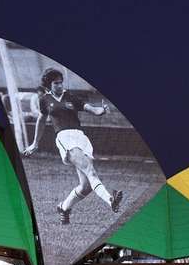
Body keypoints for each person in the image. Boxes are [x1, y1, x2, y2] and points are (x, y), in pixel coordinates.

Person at [25, 67, 123, 224]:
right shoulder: (45, 100)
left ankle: (64, 207)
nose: (59, 85)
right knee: (91, 172)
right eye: (56, 83)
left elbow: (90, 108)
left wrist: (101, 111)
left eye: (61, 83)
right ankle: (111, 200)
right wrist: (35, 143)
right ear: (49, 84)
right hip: (65, 138)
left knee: (86, 186)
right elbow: (42, 120)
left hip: (81, 138)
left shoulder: (70, 97)